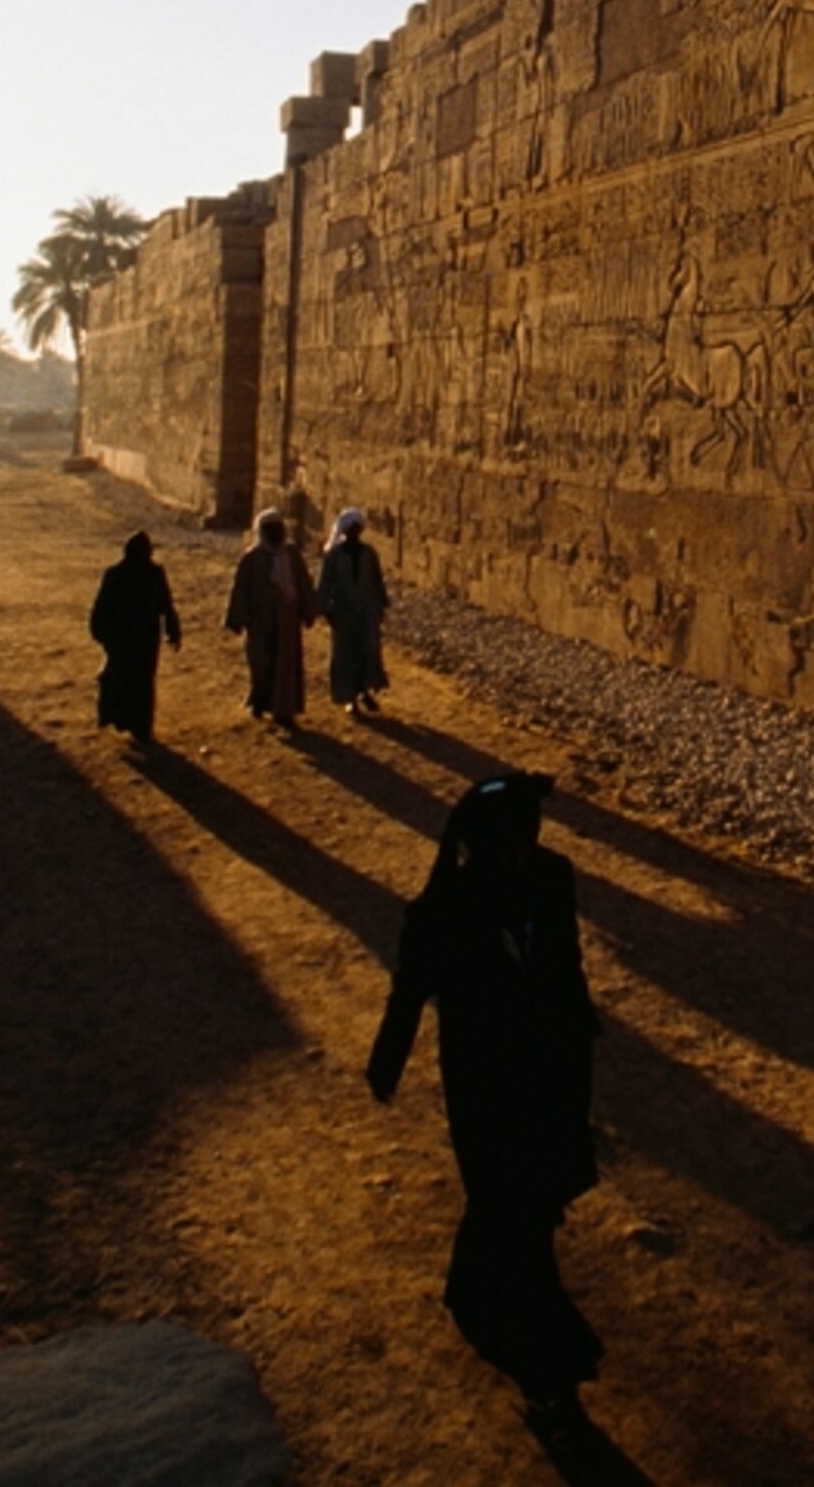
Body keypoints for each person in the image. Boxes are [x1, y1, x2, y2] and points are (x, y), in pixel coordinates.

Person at [367, 771, 603, 1433]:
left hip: (550, 1076)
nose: (520, 857)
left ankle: (524, 1345)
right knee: (513, 1216)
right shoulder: (446, 909)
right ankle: (548, 1365)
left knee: (521, 1216)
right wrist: (388, 1059)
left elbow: (568, 968)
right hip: (485, 1085)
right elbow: (410, 987)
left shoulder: (551, 879)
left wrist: (579, 1039)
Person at [222, 508, 317, 723]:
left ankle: (284, 710)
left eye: (278, 529)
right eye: (270, 530)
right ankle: (259, 702)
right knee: (261, 664)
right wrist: (237, 619)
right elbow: (241, 589)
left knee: (286, 666)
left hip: (287, 620)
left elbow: (302, 583)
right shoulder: (252, 558)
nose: (275, 534)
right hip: (261, 621)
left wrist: (308, 611)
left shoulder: (291, 554)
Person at [86, 530, 180, 744]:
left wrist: (173, 630)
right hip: (124, 639)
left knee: (142, 683)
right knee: (124, 681)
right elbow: (102, 608)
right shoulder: (117, 574)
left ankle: (141, 727)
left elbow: (165, 604)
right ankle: (125, 721)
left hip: (145, 639)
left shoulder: (154, 573)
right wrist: (103, 635)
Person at [320, 507, 390, 720]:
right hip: (344, 612)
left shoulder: (369, 553)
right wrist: (326, 610)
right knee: (345, 655)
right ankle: (349, 698)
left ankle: (364, 690)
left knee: (367, 651)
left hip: (367, 610)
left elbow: (377, 581)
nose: (354, 532)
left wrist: (380, 606)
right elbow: (325, 584)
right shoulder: (334, 556)